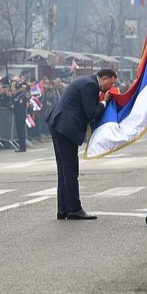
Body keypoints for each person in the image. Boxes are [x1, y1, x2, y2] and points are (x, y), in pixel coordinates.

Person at [46, 68, 117, 220]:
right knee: (70, 170)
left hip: (59, 125)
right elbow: (91, 113)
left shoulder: (87, 81)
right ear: (103, 79)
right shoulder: (90, 85)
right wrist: (105, 101)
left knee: (64, 170)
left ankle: (63, 209)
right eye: (110, 83)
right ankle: (74, 209)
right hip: (65, 127)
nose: (111, 87)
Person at [12, 82, 29, 152]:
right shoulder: (16, 96)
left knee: (21, 131)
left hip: (20, 115)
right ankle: (21, 145)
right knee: (19, 131)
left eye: (18, 89)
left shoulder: (22, 96)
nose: (16, 90)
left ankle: (22, 146)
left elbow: (21, 106)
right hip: (17, 115)